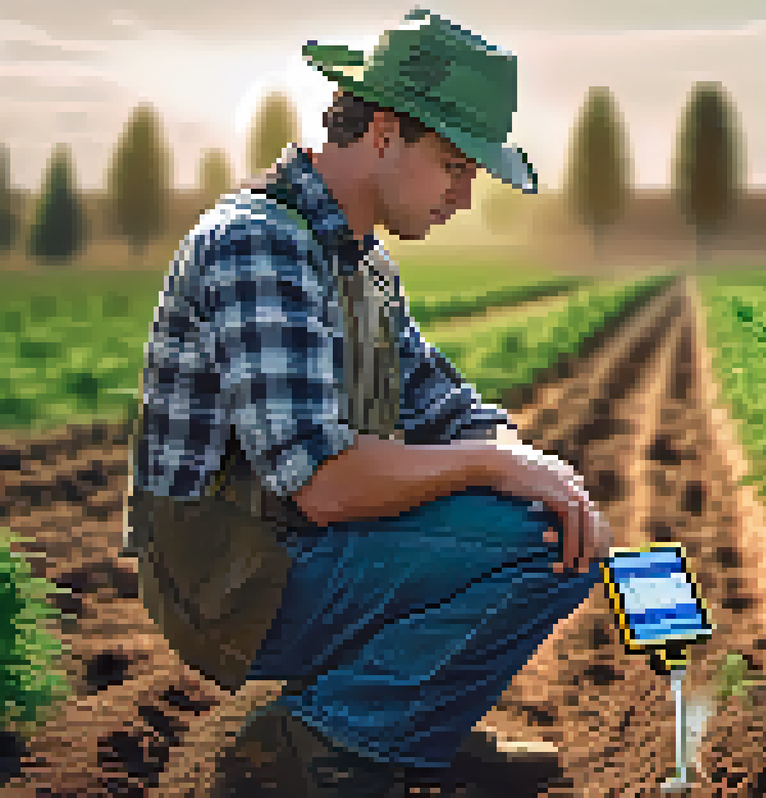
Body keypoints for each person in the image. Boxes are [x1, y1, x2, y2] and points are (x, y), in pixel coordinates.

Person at [122, 8, 611, 796]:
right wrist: (490, 466)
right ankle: (320, 748)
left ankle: (404, 729)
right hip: (228, 578)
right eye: (455, 165)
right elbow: (326, 483)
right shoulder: (256, 242)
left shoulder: (361, 262)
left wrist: (528, 463)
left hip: (291, 551)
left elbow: (441, 402)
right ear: (384, 132)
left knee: (542, 522)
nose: (463, 195)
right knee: (530, 546)